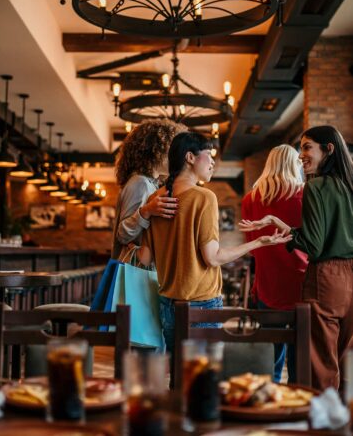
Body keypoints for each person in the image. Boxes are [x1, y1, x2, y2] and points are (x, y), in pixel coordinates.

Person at [138, 132, 292, 371]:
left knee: (179, 375)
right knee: (203, 379)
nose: (212, 162)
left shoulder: (154, 199)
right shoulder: (204, 198)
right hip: (201, 304)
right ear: (190, 157)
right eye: (208, 156)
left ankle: (178, 409)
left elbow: (144, 258)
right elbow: (213, 257)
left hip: (167, 302)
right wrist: (258, 243)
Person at [239, 126, 353, 390]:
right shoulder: (341, 186)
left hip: (310, 282)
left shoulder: (313, 187)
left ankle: (300, 417)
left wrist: (286, 233)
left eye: (306, 147)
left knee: (317, 364)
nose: (301, 155)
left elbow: (312, 244)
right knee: (338, 358)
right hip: (329, 282)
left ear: (328, 150)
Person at [241, 144, 308, 383]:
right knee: (300, 355)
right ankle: (296, 406)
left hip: (267, 285)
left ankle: (267, 403)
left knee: (270, 357)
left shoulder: (251, 199)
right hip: (302, 285)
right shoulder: (305, 194)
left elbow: (252, 247)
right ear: (294, 164)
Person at [111, 119, 185, 260]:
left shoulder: (149, 183)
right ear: (156, 151)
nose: (176, 158)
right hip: (135, 271)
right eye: (172, 151)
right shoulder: (141, 182)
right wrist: (147, 211)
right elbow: (123, 235)